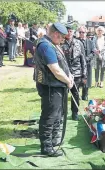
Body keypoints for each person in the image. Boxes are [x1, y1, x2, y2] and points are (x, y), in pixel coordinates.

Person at [33, 22, 73, 157]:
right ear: (56, 34)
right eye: (62, 37)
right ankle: (46, 147)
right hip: (50, 87)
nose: (62, 41)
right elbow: (55, 70)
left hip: (56, 85)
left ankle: (54, 140)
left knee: (57, 114)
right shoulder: (46, 45)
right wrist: (68, 81)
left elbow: (62, 64)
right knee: (49, 116)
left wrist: (69, 75)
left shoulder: (51, 44)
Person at [61, 25, 87, 120]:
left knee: (75, 94)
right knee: (63, 94)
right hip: (64, 73)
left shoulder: (79, 43)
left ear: (73, 32)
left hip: (77, 73)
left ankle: (75, 112)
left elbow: (83, 59)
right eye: (67, 31)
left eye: (71, 31)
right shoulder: (60, 42)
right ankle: (62, 113)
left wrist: (84, 75)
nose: (69, 33)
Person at [77, 26, 94, 101]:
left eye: (83, 32)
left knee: (86, 80)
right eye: (80, 32)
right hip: (78, 64)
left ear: (86, 32)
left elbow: (93, 52)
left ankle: (85, 95)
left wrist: (87, 58)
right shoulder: (76, 41)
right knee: (78, 79)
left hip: (87, 63)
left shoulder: (90, 42)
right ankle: (77, 94)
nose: (81, 34)